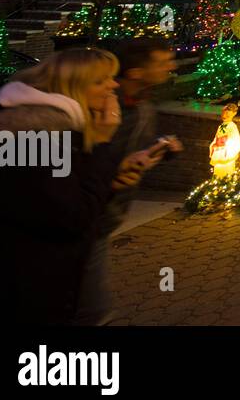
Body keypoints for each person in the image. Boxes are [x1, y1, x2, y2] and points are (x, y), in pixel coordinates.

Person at [0, 48, 146, 324]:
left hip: (30, 277)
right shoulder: (38, 138)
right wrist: (101, 145)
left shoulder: (52, 132)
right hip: (20, 285)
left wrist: (109, 180)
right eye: (100, 81)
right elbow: (73, 218)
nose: (113, 85)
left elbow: (60, 199)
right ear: (71, 88)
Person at [75, 37, 182, 324]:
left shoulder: (142, 105)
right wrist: (112, 175)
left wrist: (160, 149)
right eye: (162, 62)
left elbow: (133, 152)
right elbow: (80, 161)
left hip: (105, 216)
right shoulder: (104, 110)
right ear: (135, 72)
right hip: (85, 219)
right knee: (94, 311)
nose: (171, 67)